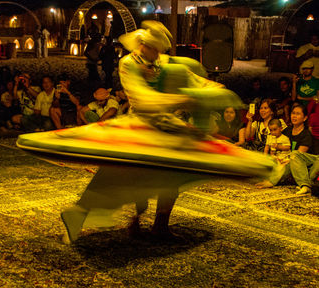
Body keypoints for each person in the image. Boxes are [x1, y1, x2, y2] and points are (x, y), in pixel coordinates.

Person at [60, 20, 243, 243]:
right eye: (155, 49)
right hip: (141, 124)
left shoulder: (160, 60)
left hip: (167, 125)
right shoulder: (128, 64)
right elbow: (142, 97)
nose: (158, 54)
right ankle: (95, 216)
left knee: (173, 175)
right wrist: (184, 98)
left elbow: (185, 75)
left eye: (159, 50)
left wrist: (209, 87)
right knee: (120, 175)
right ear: (143, 45)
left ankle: (160, 225)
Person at [256, 105, 313, 190]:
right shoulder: (287, 131)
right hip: (284, 159)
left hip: (299, 163)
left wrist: (283, 160)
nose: (294, 116)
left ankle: (272, 181)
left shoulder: (306, 134)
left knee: (293, 156)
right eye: (293, 113)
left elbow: (298, 156)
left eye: (297, 114)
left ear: (304, 118)